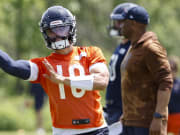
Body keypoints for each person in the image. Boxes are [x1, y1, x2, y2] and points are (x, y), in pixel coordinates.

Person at [0, 5, 109, 135]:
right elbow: (11, 66)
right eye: (51, 31)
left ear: (71, 29)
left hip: (96, 130)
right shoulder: (44, 65)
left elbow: (101, 81)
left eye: (61, 29)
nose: (57, 36)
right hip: (63, 132)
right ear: (45, 34)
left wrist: (63, 79)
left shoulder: (91, 53)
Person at [111, 2, 173, 135]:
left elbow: (166, 82)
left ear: (133, 23)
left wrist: (158, 117)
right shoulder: (134, 47)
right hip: (131, 121)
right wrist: (126, 115)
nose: (119, 26)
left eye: (122, 22)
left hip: (147, 123)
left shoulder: (151, 47)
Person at [103, 3, 136, 135]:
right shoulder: (122, 45)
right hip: (113, 107)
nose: (116, 25)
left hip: (123, 109)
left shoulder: (133, 47)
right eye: (115, 21)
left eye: (119, 21)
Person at [168, 57, 180, 135]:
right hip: (165, 116)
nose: (171, 71)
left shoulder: (179, 84)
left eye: (173, 68)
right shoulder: (162, 83)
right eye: (169, 68)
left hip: (177, 117)